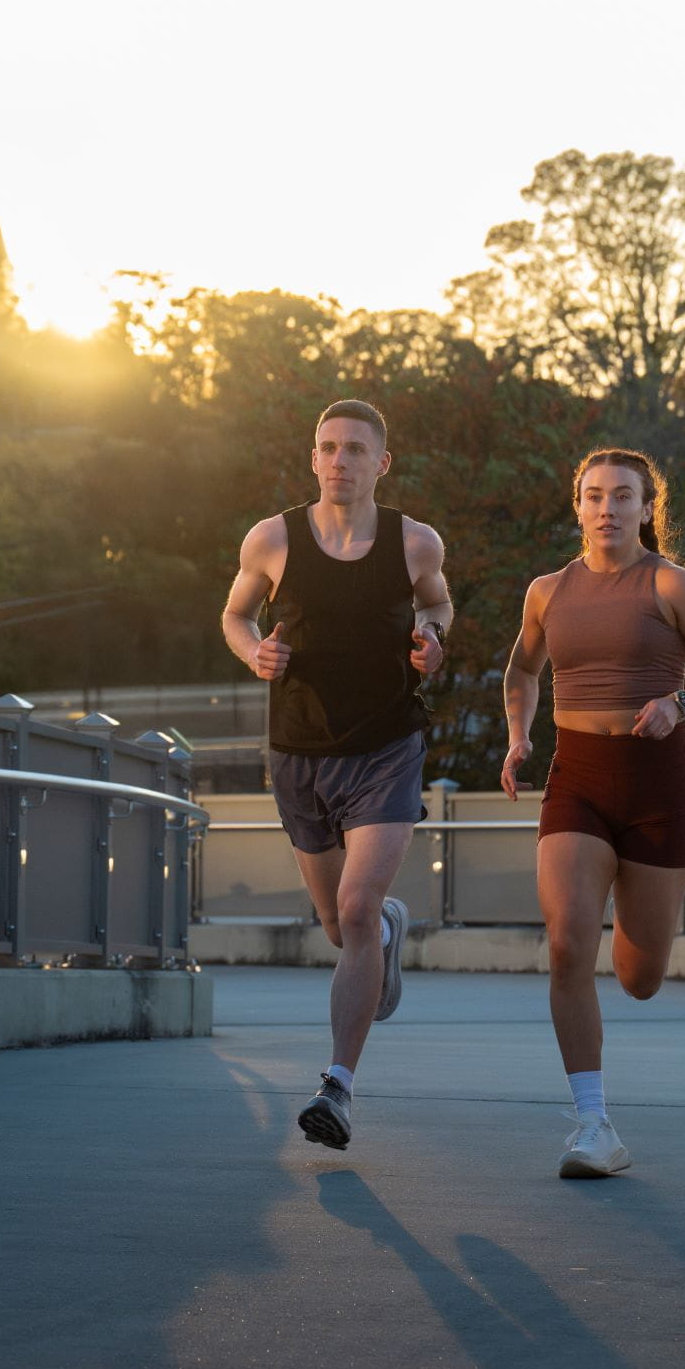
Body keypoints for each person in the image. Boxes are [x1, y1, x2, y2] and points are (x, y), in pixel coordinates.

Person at [500, 448, 685, 1178]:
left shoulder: (672, 582)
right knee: (568, 946)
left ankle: (639, 931)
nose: (607, 508)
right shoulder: (546, 591)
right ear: (576, 506)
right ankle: (592, 1125)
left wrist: (678, 703)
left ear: (646, 509)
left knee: (639, 977)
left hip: (659, 790)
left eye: (622, 496)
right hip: (576, 781)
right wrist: (518, 736)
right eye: (593, 495)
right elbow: (520, 668)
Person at [222, 398, 452, 1151]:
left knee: (353, 910)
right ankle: (381, 931)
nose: (340, 460)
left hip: (386, 746)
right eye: (328, 447)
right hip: (298, 752)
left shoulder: (413, 543)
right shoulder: (271, 538)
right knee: (338, 923)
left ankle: (338, 1088)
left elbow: (439, 604)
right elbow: (234, 617)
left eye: (356, 448)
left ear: (381, 463)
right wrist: (254, 652)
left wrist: (431, 640)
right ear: (313, 458)